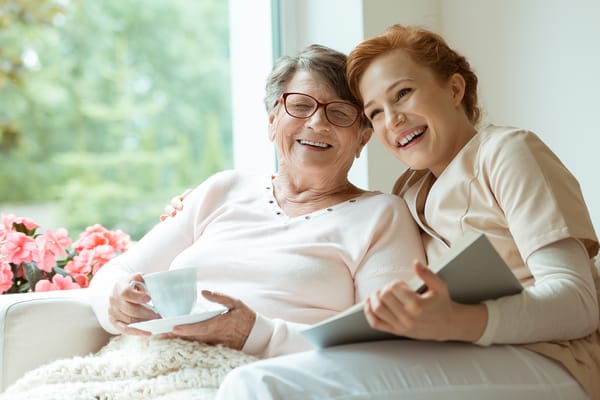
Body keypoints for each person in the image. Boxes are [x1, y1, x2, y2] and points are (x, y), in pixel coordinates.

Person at [214, 25, 600, 399]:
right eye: (376, 111)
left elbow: (579, 303)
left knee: (256, 386)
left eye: (403, 94)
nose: (392, 120)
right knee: (254, 379)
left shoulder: (507, 152)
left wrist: (458, 321)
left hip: (556, 357)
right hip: (461, 352)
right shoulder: (408, 191)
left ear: (454, 88)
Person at [88, 43, 425, 359]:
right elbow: (119, 271)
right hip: (151, 361)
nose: (317, 122)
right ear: (272, 121)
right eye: (301, 105)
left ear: (363, 138)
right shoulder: (224, 189)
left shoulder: (381, 215)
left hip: (265, 377)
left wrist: (257, 334)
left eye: (340, 113)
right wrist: (115, 299)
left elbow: (383, 342)